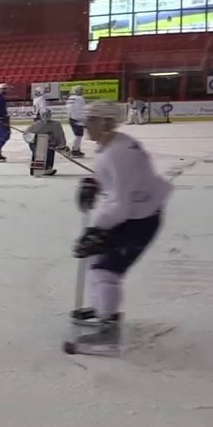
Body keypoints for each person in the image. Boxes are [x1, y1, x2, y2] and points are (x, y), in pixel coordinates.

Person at [70, 100, 173, 350]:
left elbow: (120, 203)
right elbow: (116, 184)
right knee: (97, 263)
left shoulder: (118, 153)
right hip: (134, 214)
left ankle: (109, 328)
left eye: (92, 120)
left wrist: (96, 230)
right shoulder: (112, 144)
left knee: (106, 270)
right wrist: (95, 183)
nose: (86, 125)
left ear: (106, 122)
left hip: (139, 219)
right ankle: (102, 307)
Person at [23, 109, 67, 176]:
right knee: (38, 153)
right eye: (44, 115)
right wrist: (34, 138)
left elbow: (59, 135)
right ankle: (36, 167)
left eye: (47, 114)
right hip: (37, 144)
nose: (46, 117)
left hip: (50, 144)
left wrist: (61, 145)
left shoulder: (56, 124)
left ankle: (47, 167)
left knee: (49, 153)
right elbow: (27, 135)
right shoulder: (36, 125)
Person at [65, 85, 88, 158]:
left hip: (72, 118)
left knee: (78, 135)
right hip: (78, 119)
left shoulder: (71, 98)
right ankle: (75, 150)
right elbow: (82, 109)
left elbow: (68, 108)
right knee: (78, 135)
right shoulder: (79, 98)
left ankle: (76, 149)